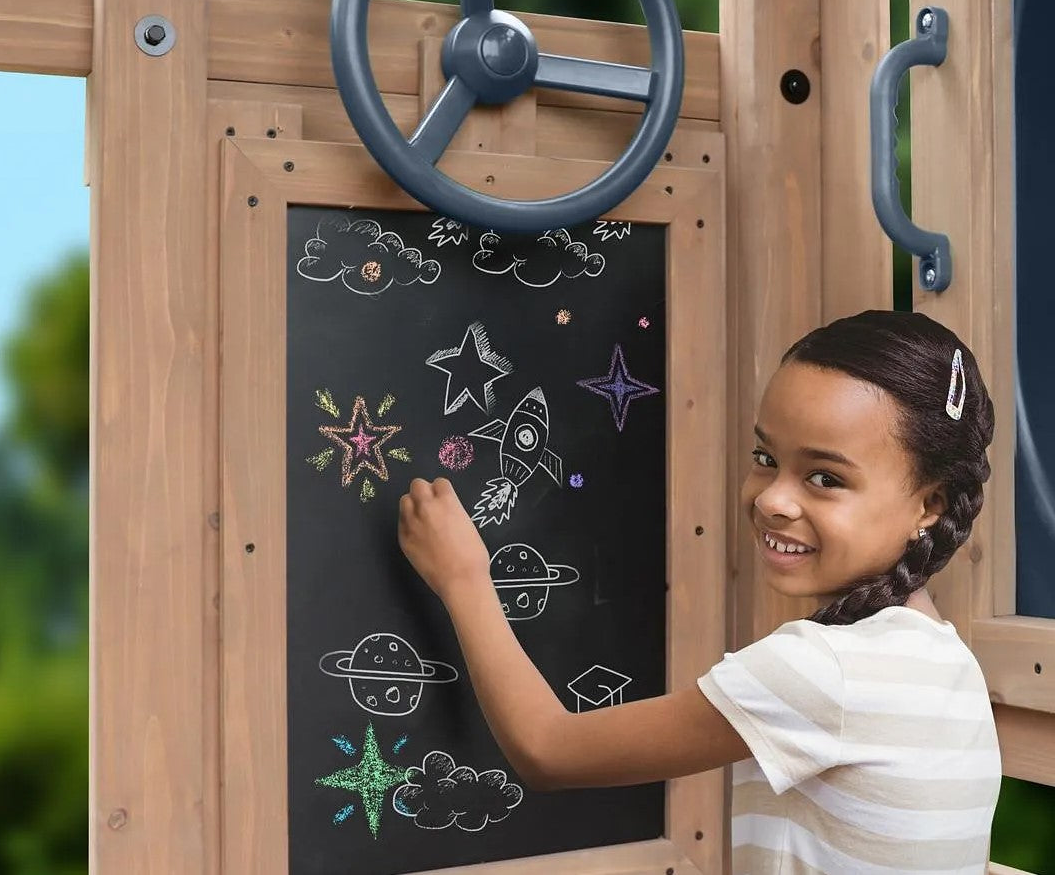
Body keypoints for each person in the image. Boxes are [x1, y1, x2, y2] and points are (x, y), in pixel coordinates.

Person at [398, 309, 1003, 873]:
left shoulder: (827, 670)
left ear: (929, 504)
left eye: (825, 478)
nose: (771, 498)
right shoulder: (942, 661)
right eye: (765, 456)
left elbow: (549, 750)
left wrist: (463, 577)